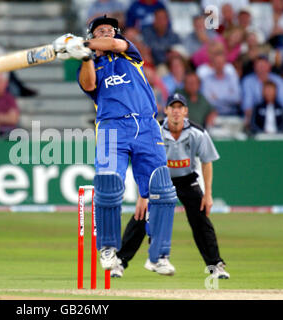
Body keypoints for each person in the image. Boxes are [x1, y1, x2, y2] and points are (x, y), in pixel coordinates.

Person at [54, 15, 177, 274]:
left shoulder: (130, 53)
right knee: (109, 187)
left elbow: (117, 45)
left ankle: (158, 255)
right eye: (101, 30)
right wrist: (85, 56)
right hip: (111, 128)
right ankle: (108, 249)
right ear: (93, 36)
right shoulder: (91, 65)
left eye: (111, 29)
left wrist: (81, 43)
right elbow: (89, 85)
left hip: (146, 125)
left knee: (162, 191)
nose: (107, 32)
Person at [111, 93, 230, 280]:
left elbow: (207, 162)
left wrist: (208, 194)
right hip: (160, 179)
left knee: (200, 220)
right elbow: (142, 161)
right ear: (165, 110)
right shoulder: (154, 130)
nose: (176, 111)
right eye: (172, 107)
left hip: (187, 179)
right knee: (142, 217)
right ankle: (119, 262)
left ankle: (215, 265)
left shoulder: (197, 133)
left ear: (185, 111)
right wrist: (143, 197)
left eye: (179, 107)